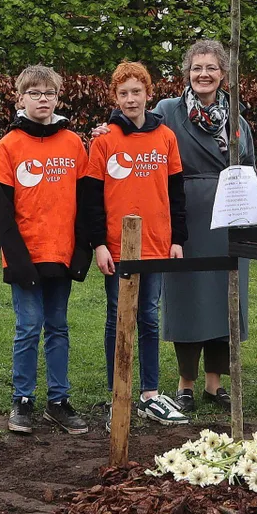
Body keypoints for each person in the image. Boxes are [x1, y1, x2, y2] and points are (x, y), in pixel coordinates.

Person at [84, 61, 190, 428]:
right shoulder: (104, 139)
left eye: (137, 92)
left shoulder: (166, 138)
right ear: (115, 97)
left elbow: (176, 192)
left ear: (149, 94)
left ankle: (149, 394)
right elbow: (92, 198)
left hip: (157, 243)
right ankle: (120, 394)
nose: (131, 99)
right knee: (118, 317)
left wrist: (178, 239)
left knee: (148, 315)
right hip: (117, 247)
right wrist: (98, 244)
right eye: (123, 93)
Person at [154, 40, 254, 412]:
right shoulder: (167, 111)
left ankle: (215, 384)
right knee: (186, 298)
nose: (204, 74)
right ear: (187, 73)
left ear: (223, 75)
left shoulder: (238, 120)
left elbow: (250, 169)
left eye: (211, 68)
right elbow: (137, 138)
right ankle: (185, 383)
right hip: (185, 215)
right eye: (197, 68)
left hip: (230, 218)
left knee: (224, 298)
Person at [0, 65, 91, 435]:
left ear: (58, 98)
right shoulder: (8, 146)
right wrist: (18, 261)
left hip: (61, 256)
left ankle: (59, 402)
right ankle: (23, 399)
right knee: (29, 327)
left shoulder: (73, 143)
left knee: (59, 327)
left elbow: (84, 202)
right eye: (34, 93)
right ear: (20, 99)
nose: (42, 99)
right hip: (25, 257)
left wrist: (81, 253)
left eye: (48, 93)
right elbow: (3, 212)